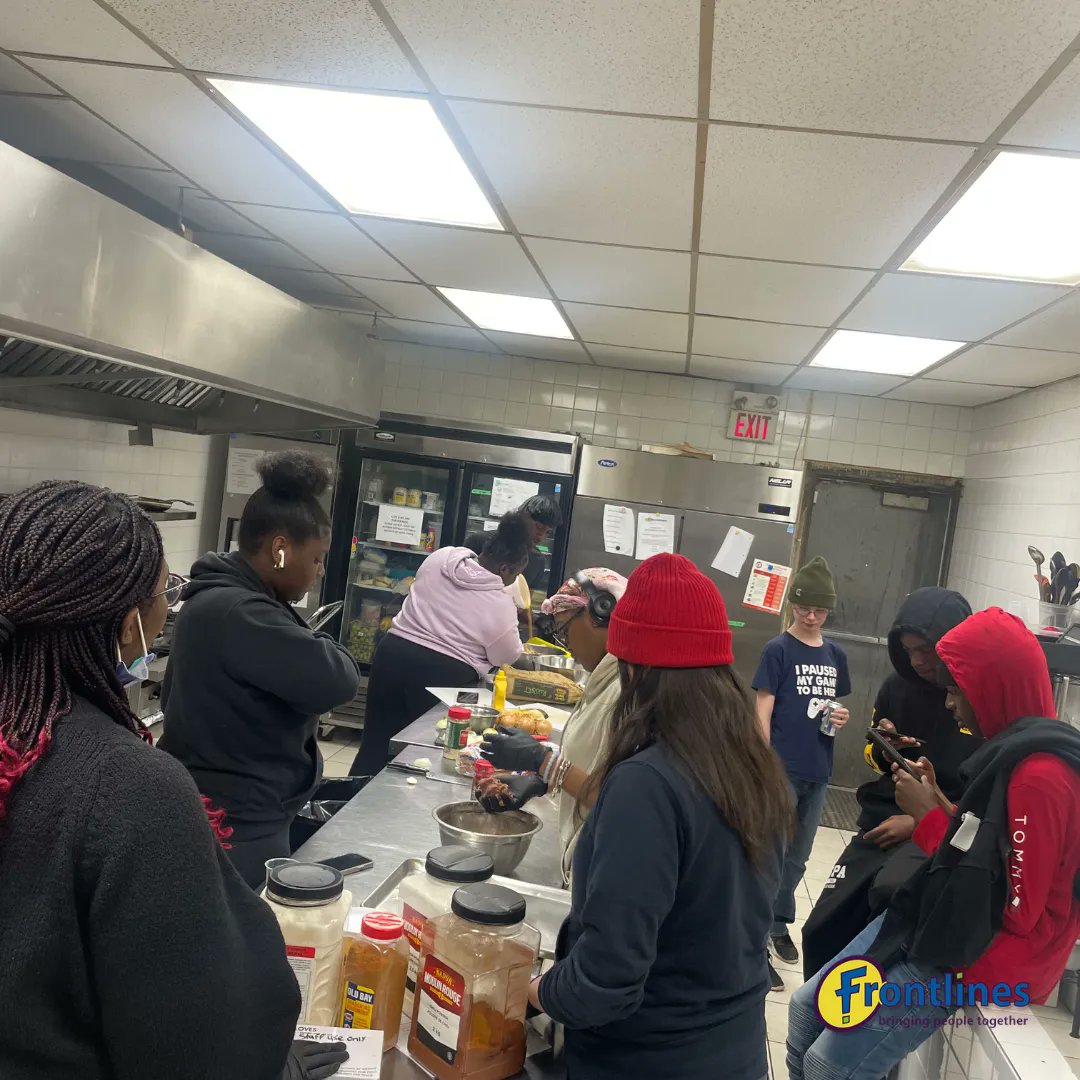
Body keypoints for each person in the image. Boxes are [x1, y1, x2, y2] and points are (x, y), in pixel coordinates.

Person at [0, 480, 347, 1080]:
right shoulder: (127, 788)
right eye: (167, 595)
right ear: (131, 621)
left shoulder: (26, 742)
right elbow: (195, 1042)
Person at [787, 608, 1080, 1080]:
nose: (948, 704)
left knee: (828, 1064)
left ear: (993, 688)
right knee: (805, 1009)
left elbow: (1014, 909)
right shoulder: (1012, 751)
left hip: (978, 953)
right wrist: (942, 804)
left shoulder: (1040, 777)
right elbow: (985, 847)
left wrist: (927, 820)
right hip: (941, 915)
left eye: (954, 690)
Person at [530, 553, 792, 1080]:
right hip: (734, 1050)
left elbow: (607, 982)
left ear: (633, 667)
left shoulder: (646, 782)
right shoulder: (753, 764)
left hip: (648, 1058)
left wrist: (532, 989)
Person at [162, 451, 362, 889]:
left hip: (236, 809)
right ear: (280, 549)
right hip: (239, 824)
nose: (320, 570)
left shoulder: (234, 600)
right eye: (317, 558)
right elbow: (338, 679)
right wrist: (321, 639)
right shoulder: (242, 612)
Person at [801, 587, 981, 979]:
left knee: (884, 899)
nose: (917, 661)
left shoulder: (976, 700)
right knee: (822, 927)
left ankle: (855, 1018)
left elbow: (983, 799)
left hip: (940, 829)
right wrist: (885, 747)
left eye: (926, 650)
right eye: (909, 650)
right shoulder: (896, 687)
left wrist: (920, 821)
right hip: (882, 819)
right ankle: (818, 1017)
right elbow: (875, 760)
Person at [348, 511, 529, 778]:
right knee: (423, 758)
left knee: (375, 744)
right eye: (516, 575)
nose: (514, 581)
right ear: (505, 569)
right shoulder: (500, 604)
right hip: (441, 679)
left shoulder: (442, 557)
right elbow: (508, 655)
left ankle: (347, 808)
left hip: (392, 657)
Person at [478, 568, 628, 884]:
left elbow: (620, 801)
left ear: (600, 613)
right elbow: (596, 762)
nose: (566, 644)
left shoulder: (627, 690)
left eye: (564, 629)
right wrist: (542, 781)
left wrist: (546, 764)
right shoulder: (604, 676)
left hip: (607, 870)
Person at [752, 556, 851, 992]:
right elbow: (764, 706)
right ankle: (753, 944)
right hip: (782, 767)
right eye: (805, 608)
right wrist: (763, 760)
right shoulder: (778, 650)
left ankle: (777, 923)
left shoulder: (835, 654)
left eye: (820, 610)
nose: (811, 616)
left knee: (798, 857)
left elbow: (834, 705)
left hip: (819, 768)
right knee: (771, 852)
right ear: (793, 605)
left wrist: (841, 716)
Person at [519, 493, 563, 592]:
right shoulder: (481, 541)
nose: (541, 536)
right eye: (538, 527)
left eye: (548, 532)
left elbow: (526, 601)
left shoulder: (537, 560)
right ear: (522, 519)